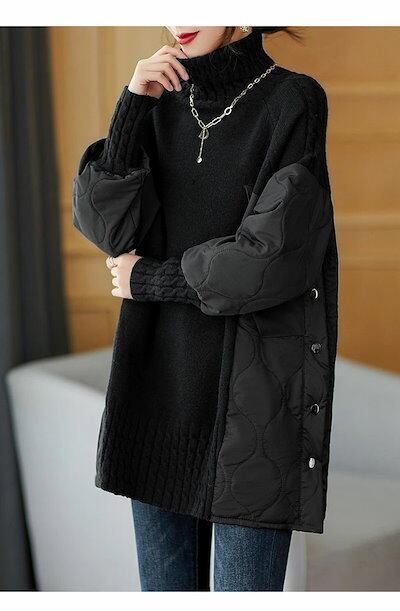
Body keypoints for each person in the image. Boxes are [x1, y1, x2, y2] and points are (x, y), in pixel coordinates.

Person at [72, 26, 339, 591]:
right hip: (156, 399)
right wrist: (131, 109)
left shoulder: (293, 99)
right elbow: (108, 231)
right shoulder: (159, 101)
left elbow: (273, 257)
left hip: (249, 415)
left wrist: (152, 278)